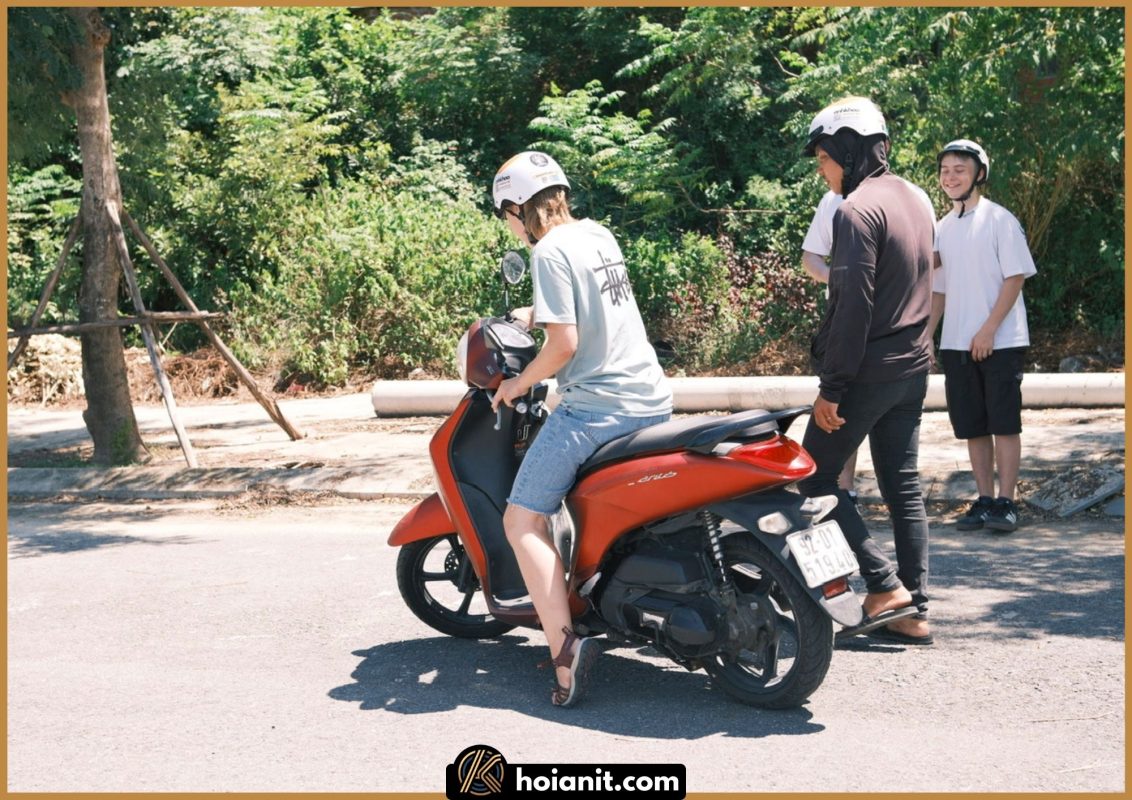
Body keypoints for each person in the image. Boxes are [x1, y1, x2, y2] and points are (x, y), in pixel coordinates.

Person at [489, 151, 673, 706]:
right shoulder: (598, 234)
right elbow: (596, 311)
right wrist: (534, 313)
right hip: (651, 398)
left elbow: (564, 346)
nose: (510, 226)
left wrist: (517, 386)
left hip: (597, 409)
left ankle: (564, 652)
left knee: (521, 521)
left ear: (519, 208)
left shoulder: (547, 251)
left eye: (506, 214)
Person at [796, 97, 936, 645]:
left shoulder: (854, 211)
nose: (822, 171)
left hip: (868, 373)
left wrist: (831, 388)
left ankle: (882, 584)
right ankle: (914, 609)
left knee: (811, 477)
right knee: (903, 487)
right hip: (913, 367)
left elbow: (852, 305)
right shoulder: (916, 199)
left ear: (849, 152)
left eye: (825, 159)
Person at [928, 139, 1037, 533]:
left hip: (1001, 340)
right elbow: (938, 289)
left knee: (1004, 423)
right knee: (973, 425)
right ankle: (985, 499)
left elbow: (1015, 277)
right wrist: (927, 335)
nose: (951, 177)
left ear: (978, 174)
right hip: (956, 341)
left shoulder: (999, 219)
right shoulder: (940, 228)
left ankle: (1007, 503)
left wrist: (989, 329)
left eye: (959, 169)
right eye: (945, 170)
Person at [801, 190, 860, 503]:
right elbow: (810, 257)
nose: (821, 167)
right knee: (839, 404)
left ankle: (898, 498)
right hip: (841, 319)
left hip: (892, 327)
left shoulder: (905, 195)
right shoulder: (831, 200)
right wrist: (837, 280)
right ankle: (844, 488)